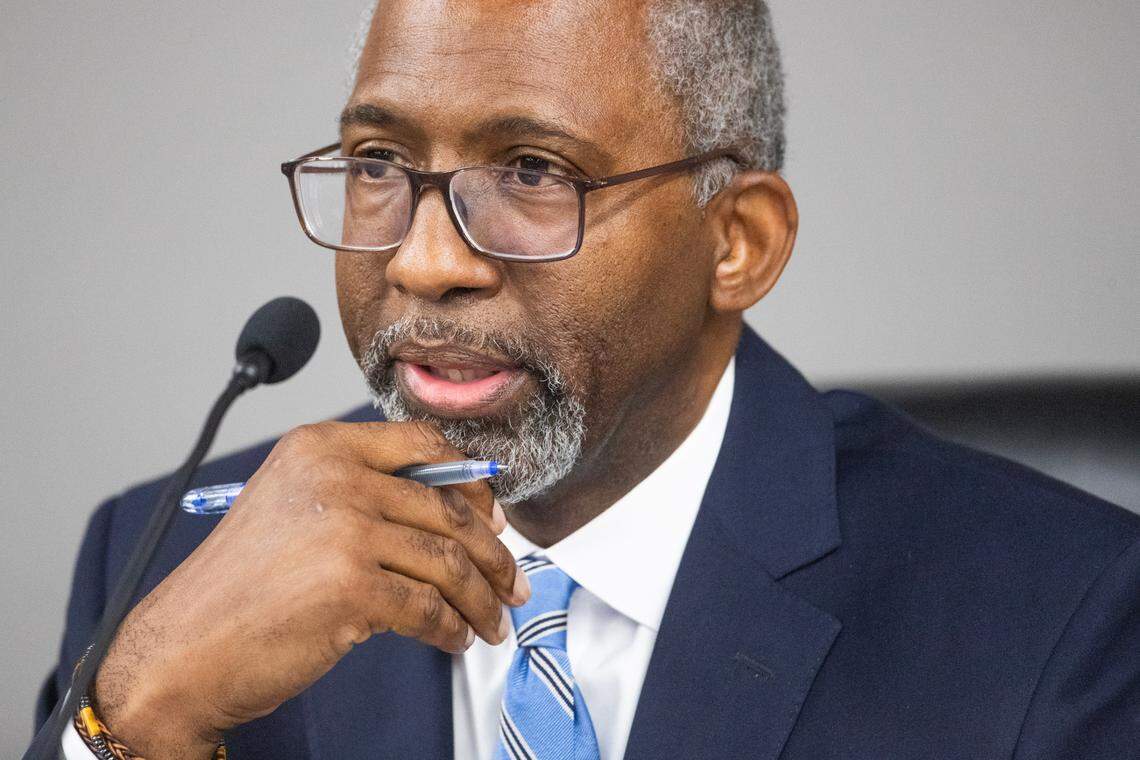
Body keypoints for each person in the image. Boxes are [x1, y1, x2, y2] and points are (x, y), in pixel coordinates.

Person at [37, 1, 1140, 758]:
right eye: (378, 165)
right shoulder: (157, 568)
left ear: (738, 242)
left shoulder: (1061, 620)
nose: (424, 259)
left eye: (532, 171)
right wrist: (139, 719)